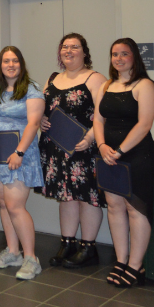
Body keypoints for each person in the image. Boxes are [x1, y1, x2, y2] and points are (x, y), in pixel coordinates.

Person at [92, 38, 154, 288]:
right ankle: (121, 260)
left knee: (134, 208)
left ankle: (136, 265)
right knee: (114, 206)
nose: (118, 59)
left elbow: (144, 124)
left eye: (124, 54)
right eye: (114, 54)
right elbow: (98, 120)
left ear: (134, 58)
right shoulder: (107, 85)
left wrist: (119, 150)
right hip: (107, 154)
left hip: (136, 155)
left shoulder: (144, 85)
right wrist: (102, 146)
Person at [39, 33, 107, 269]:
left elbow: (104, 113)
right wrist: (41, 120)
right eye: (65, 47)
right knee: (65, 196)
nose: (69, 51)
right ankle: (67, 243)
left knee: (86, 198)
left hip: (83, 149)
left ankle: (89, 248)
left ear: (84, 52)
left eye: (74, 47)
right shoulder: (53, 78)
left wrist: (91, 137)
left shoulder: (95, 78)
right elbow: (42, 107)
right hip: (56, 148)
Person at [0, 46, 45, 280]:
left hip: (20, 155)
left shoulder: (32, 88)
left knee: (16, 206)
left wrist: (19, 152)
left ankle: (31, 259)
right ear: (0, 64)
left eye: (15, 60)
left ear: (21, 63)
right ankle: (13, 252)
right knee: (4, 205)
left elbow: (34, 123)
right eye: (6, 60)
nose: (10, 64)